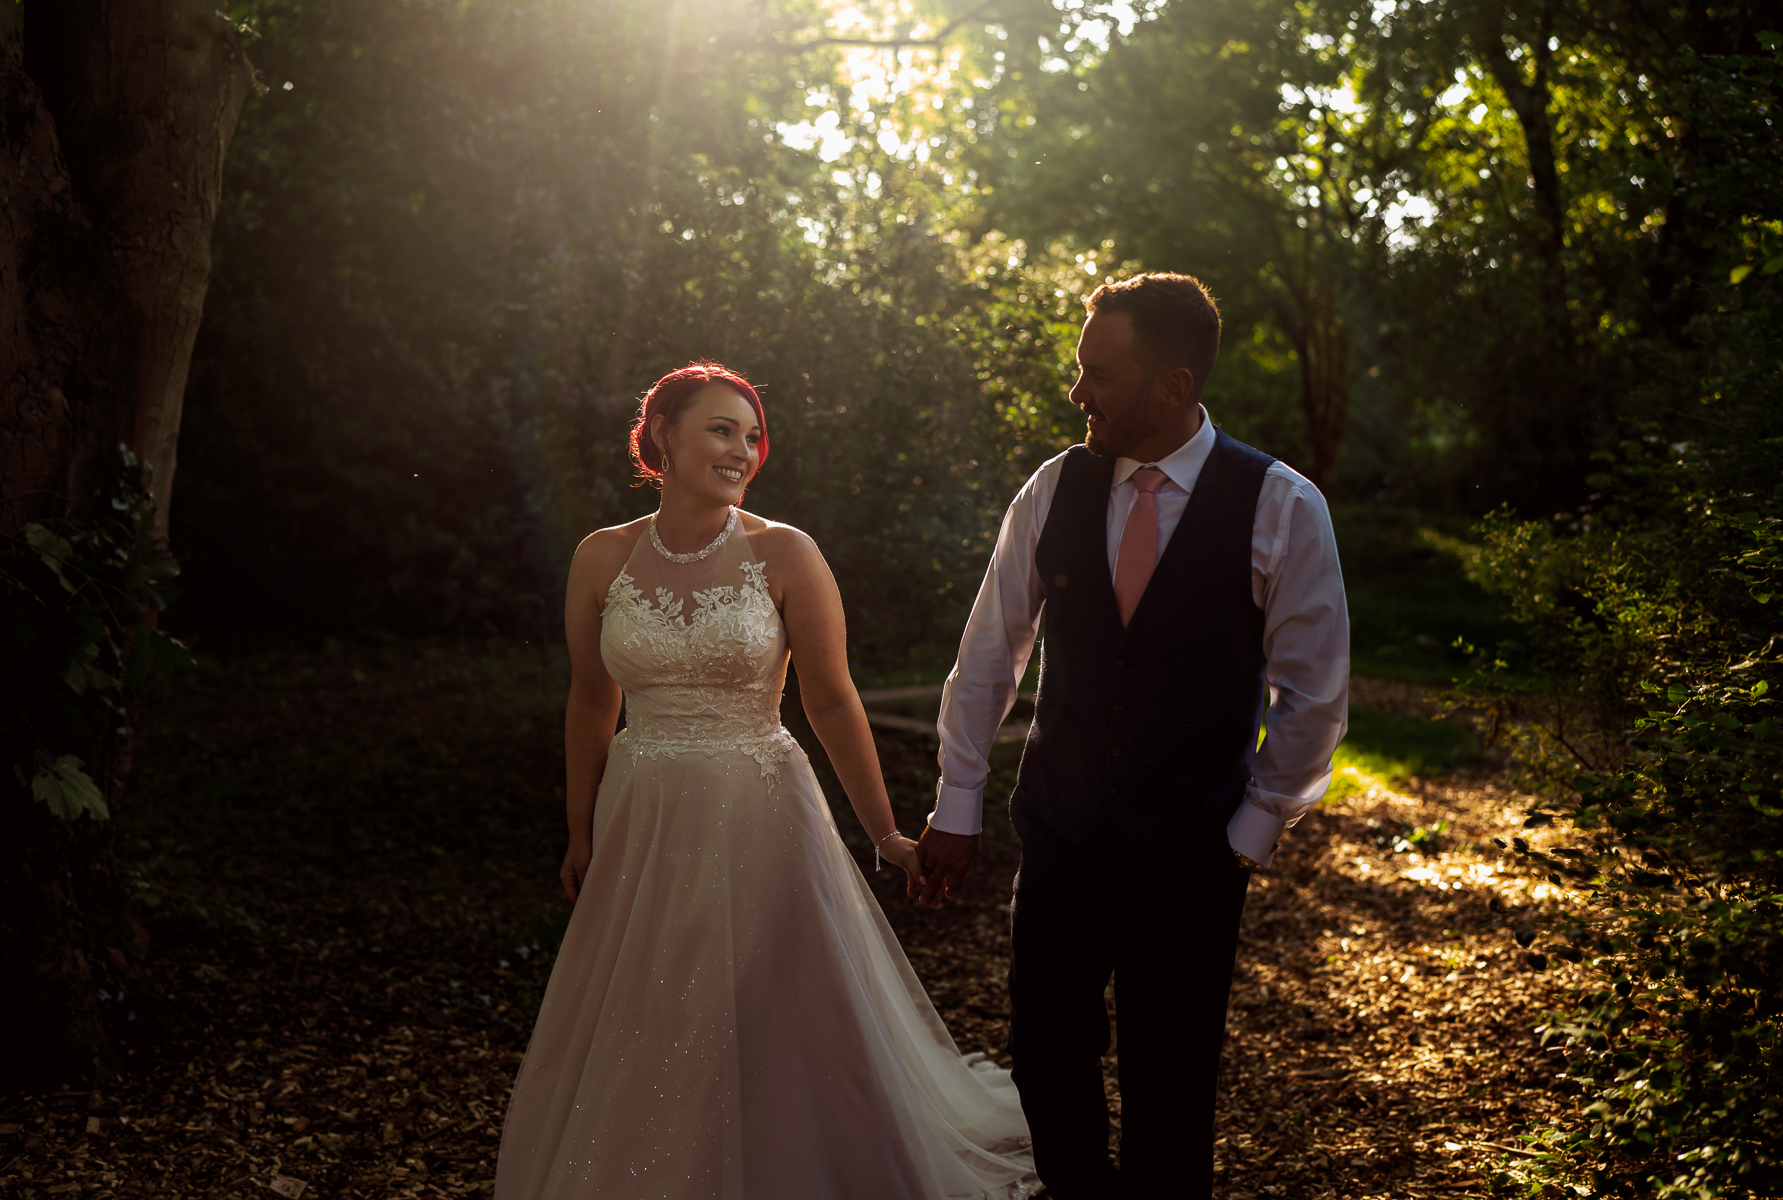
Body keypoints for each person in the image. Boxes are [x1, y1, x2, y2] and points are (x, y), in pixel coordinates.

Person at [493, 362, 1040, 1200]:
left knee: (768, 1010)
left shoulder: (785, 552)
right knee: (649, 1007)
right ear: (662, 438)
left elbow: (829, 698)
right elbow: (589, 699)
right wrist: (580, 830)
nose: (742, 451)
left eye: (752, 437)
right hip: (642, 812)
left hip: (759, 807)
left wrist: (887, 833)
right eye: (720, 430)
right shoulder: (601, 557)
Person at [915, 274, 1350, 1197]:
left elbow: (1312, 693)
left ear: (1175, 387)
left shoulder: (1280, 505)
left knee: (1171, 1076)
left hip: (1194, 849)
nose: (1079, 394)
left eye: (1099, 376)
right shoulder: (1052, 488)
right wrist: (957, 804)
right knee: (1042, 1048)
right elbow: (990, 651)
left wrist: (1252, 829)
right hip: (1063, 833)